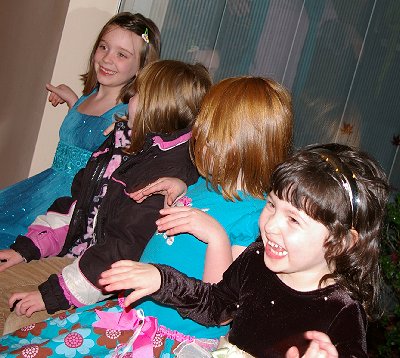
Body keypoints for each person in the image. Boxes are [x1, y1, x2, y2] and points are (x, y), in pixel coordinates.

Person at [0, 76, 293, 357]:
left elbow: (218, 307)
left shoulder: (255, 215)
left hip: (165, 337)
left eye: (209, 134)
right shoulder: (205, 184)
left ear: (244, 143)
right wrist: (179, 187)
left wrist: (215, 236)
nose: (198, 140)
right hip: (131, 314)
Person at [99, 143, 389, 357]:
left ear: (340, 243)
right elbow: (215, 306)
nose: (270, 225)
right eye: (272, 205)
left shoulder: (342, 310)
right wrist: (162, 281)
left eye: (293, 219)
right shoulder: (255, 258)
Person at [0, 59, 211, 336]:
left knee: (19, 321)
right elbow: (79, 206)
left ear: (158, 106)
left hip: (106, 285)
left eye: (136, 95)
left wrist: (51, 295)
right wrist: (26, 250)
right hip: (81, 261)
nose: (127, 100)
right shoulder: (122, 143)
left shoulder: (165, 174)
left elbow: (122, 251)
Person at [0, 12, 161, 249]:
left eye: (122, 54)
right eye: (103, 47)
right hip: (42, 187)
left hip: (70, 203)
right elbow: (84, 135)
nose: (107, 58)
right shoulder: (86, 98)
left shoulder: (129, 113)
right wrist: (73, 102)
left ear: (141, 68)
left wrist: (134, 124)